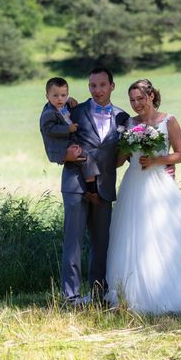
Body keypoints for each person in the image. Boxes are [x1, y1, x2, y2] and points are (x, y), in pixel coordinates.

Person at [105, 79, 181, 315]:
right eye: (132, 100)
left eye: (140, 99)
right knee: (134, 235)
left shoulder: (169, 121)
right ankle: (134, 292)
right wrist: (122, 148)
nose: (136, 105)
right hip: (134, 183)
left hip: (159, 183)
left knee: (165, 233)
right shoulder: (129, 124)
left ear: (151, 96)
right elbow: (120, 160)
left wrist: (156, 161)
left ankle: (175, 290)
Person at [59, 67, 130, 306]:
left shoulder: (123, 117)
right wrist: (63, 155)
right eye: (92, 86)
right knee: (74, 242)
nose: (97, 90)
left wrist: (161, 165)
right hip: (75, 184)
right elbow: (51, 133)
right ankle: (71, 297)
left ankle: (98, 294)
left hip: (105, 187)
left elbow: (128, 152)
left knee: (102, 244)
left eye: (102, 85)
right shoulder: (74, 112)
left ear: (112, 86)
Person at [39, 77, 99, 184]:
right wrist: (68, 129)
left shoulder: (64, 105)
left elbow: (67, 103)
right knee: (87, 157)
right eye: (55, 95)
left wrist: (70, 99)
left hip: (71, 141)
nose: (59, 99)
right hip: (61, 146)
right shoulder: (48, 113)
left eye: (63, 95)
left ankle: (90, 180)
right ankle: (91, 185)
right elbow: (49, 129)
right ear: (47, 96)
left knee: (87, 156)